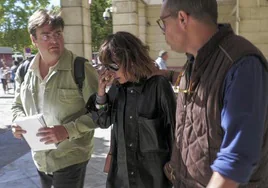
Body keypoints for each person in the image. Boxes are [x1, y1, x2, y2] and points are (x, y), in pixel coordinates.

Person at [157, 0, 268, 187]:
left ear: (183, 18)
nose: (163, 30)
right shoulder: (193, 63)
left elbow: (236, 159)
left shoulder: (242, 65)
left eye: (164, 22)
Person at [11, 9, 98, 188]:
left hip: (71, 156)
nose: (54, 40)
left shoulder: (80, 67)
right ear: (33, 40)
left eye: (58, 34)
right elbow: (17, 105)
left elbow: (101, 113)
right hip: (40, 157)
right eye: (46, 35)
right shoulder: (25, 70)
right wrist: (16, 123)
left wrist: (67, 130)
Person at [86, 31, 176, 188]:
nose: (110, 72)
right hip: (121, 177)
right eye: (106, 67)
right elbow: (103, 121)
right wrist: (101, 92)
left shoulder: (158, 86)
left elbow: (175, 132)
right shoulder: (117, 88)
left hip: (153, 178)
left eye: (113, 66)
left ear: (131, 60)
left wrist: (175, 169)